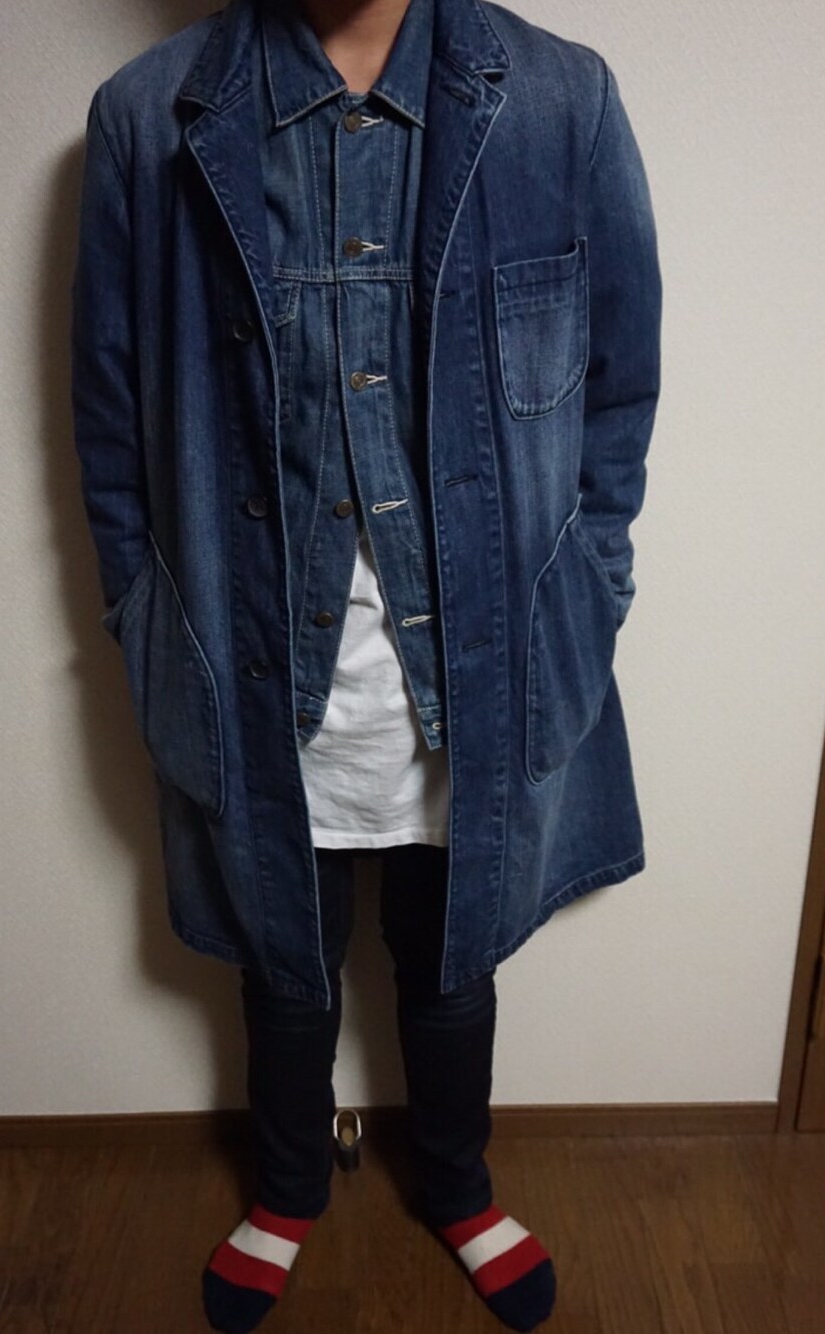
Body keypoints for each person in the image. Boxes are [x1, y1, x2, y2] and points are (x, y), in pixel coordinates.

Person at [70, 0, 662, 1329]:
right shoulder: (149, 120)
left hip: (488, 661)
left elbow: (619, 385)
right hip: (252, 654)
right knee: (283, 949)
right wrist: (141, 608)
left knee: (455, 951)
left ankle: (458, 1183)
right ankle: (288, 1188)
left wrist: (594, 580)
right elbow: (108, 419)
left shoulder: (560, 100)